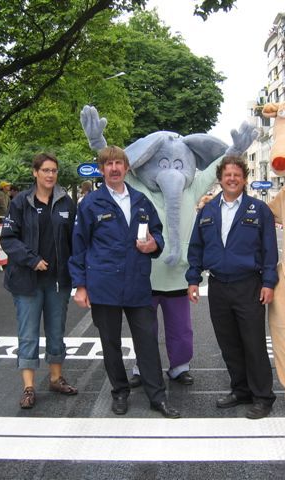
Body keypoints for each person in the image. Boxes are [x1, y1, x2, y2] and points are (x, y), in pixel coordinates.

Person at [69, 145, 180, 419]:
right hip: (104, 285)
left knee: (147, 342)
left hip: (137, 284)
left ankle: (158, 397)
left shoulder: (142, 201)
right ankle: (119, 392)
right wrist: (80, 285)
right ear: (102, 169)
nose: (115, 168)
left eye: (119, 163)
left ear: (126, 168)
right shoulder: (90, 204)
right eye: (109, 164)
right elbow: (79, 246)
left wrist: (155, 244)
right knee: (111, 344)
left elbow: (158, 234)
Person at [186, 155, 278, 420]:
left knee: (254, 343)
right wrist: (193, 279)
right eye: (228, 175)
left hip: (249, 285)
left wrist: (269, 282)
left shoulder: (258, 210)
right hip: (218, 286)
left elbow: (269, 250)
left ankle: (263, 396)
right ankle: (241, 390)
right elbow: (196, 248)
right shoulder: (208, 210)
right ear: (220, 178)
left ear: (244, 179)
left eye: (237, 175)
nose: (232, 179)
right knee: (229, 343)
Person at [0, 152, 78, 409]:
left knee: (56, 331)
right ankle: (29, 387)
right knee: (29, 334)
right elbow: (8, 239)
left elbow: (74, 241)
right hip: (27, 280)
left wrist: (77, 274)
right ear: (35, 172)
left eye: (54, 170)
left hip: (58, 280)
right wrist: (32, 259)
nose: (50, 175)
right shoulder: (21, 202)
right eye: (45, 170)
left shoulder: (66, 202)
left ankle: (56, 378)